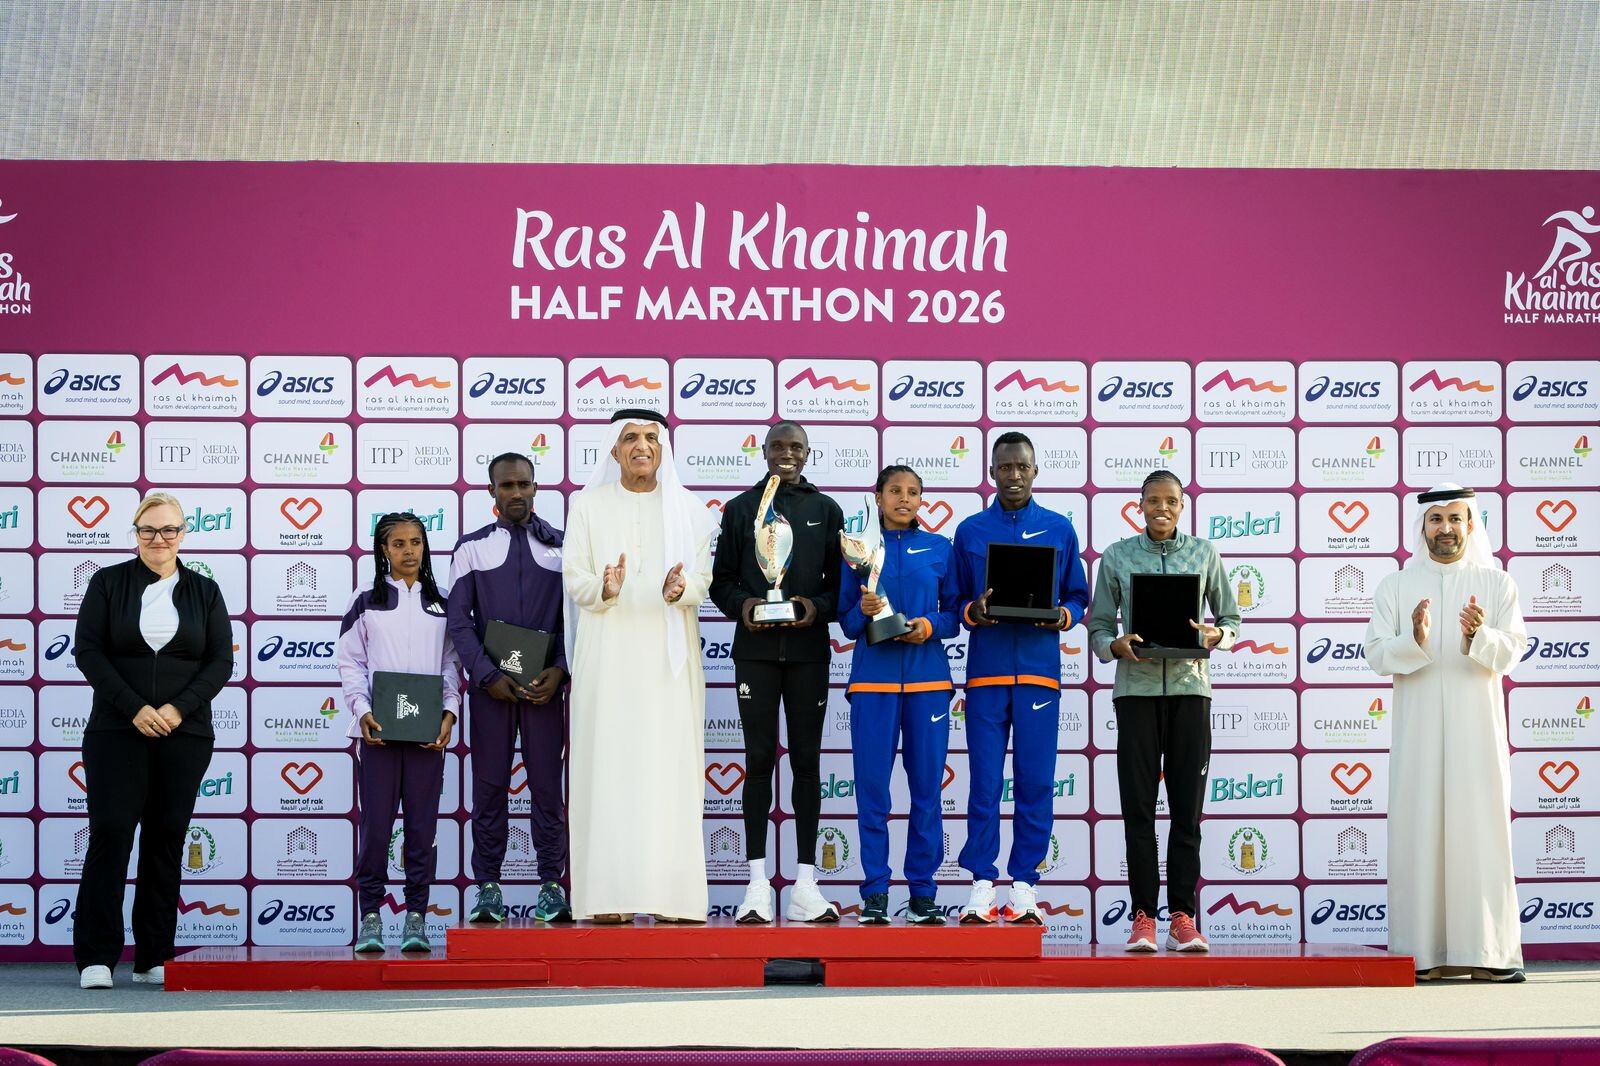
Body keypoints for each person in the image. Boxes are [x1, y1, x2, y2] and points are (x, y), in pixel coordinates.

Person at [1363, 484, 1527, 982]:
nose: (1446, 528)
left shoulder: (1496, 583)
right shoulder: (1396, 586)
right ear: (1423, 527)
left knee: (1480, 833)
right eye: (1436, 519)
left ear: (1471, 525)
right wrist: (1413, 638)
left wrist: (1479, 635)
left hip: (1477, 733)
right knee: (1419, 832)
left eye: (1456, 518)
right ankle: (1423, 954)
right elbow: (1376, 654)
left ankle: (1488, 954)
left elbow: (1513, 651)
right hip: (1418, 734)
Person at [71, 492, 233, 989]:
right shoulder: (107, 583)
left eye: (168, 530)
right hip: (116, 730)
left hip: (185, 733)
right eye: (148, 530)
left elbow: (220, 662)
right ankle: (97, 958)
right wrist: (135, 708)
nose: (158, 539)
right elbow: (88, 651)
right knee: (111, 833)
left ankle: (153, 955)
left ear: (183, 535)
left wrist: (176, 709)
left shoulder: (205, 592)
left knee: (166, 838)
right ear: (136, 533)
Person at [563, 409, 717, 922]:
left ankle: (673, 898)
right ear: (614, 450)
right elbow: (574, 576)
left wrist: (681, 589)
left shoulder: (690, 510)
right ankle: (610, 898)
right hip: (607, 658)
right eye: (630, 438)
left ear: (664, 448)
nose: (642, 446)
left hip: (666, 664)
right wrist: (604, 587)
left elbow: (703, 579)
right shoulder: (588, 506)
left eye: (651, 437)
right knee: (608, 770)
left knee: (667, 771)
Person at [1087, 470, 1238, 953]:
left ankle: (1182, 917)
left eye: (1171, 500)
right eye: (1153, 500)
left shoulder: (1205, 553)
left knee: (1187, 812)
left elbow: (1231, 619)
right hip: (1136, 693)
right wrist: (1115, 645)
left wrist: (1218, 635)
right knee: (1138, 810)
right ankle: (1143, 918)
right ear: (1140, 505)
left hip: (1192, 691)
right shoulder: (1117, 556)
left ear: (1182, 505)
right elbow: (1097, 627)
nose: (1162, 508)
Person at [709, 421, 845, 924]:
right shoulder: (740, 509)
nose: (787, 453)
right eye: (778, 446)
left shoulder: (826, 510)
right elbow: (721, 582)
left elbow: (839, 589)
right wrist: (745, 605)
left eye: (796, 447)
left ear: (808, 454)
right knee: (759, 759)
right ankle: (757, 886)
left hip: (809, 653)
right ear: (764, 452)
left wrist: (814, 608)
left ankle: (806, 885)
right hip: (756, 654)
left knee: (807, 762)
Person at [953, 431, 1089, 925]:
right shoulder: (969, 530)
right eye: (1005, 467)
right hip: (986, 676)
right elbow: (955, 601)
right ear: (991, 472)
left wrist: (1064, 616)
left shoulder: (1058, 528)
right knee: (985, 783)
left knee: (1035, 782)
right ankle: (982, 883)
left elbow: (1078, 596)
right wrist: (972, 611)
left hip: (1039, 675)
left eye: (1022, 467)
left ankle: (1025, 885)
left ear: (1035, 471)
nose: (1013, 475)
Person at [448, 452, 571, 924]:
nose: (516, 492)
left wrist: (560, 670)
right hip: (491, 693)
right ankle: (488, 888)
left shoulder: (564, 546)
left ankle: (551, 885)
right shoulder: (471, 548)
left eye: (524, 484)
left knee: (547, 788)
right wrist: (487, 676)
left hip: (544, 690)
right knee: (490, 787)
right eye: (507, 485)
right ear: (492, 492)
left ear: (536, 487)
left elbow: (575, 621)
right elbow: (459, 622)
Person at [838, 466, 961, 924]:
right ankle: (875, 892)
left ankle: (923, 894)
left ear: (921, 500)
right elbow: (847, 622)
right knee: (873, 793)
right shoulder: (857, 549)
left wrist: (929, 625)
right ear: (878, 496)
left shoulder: (940, 548)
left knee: (927, 792)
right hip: (873, 684)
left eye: (912, 492)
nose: (904, 499)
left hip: (928, 684)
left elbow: (956, 615)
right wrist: (863, 608)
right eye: (895, 491)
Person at [338, 512, 462, 954]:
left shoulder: (443, 601)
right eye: (399, 544)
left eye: (416, 542)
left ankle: (416, 917)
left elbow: (451, 664)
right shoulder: (364, 600)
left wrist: (449, 712)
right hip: (380, 736)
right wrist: (363, 710)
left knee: (422, 830)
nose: (409, 551)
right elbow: (350, 662)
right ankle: (370, 916)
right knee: (376, 829)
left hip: (427, 736)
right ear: (383, 550)